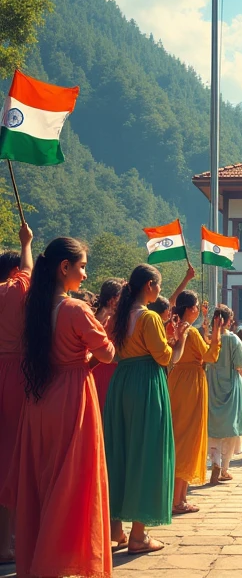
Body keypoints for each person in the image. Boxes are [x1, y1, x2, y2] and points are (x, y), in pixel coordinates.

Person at [4, 237, 114, 578]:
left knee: (44, 480)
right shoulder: (75, 309)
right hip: (72, 398)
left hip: (39, 401)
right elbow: (108, 353)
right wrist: (102, 324)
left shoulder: (32, 308)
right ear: (63, 268)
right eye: (81, 266)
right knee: (71, 482)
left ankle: (42, 557)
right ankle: (58, 561)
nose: (84, 273)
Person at [106, 264, 190, 554]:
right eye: (158, 285)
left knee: (121, 451)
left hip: (122, 382)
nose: (159, 291)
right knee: (147, 452)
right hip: (146, 383)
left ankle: (115, 529)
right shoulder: (149, 317)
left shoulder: (119, 316)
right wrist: (177, 342)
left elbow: (115, 352)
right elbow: (164, 357)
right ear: (150, 286)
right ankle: (139, 535)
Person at [168, 290, 221, 513]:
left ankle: (177, 498)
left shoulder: (173, 326)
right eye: (197, 306)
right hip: (192, 382)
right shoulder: (189, 330)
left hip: (176, 379)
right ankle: (178, 500)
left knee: (178, 436)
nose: (198, 309)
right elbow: (210, 356)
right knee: (188, 438)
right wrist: (217, 332)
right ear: (190, 309)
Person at [0, 223, 34, 564]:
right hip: (12, 374)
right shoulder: (12, 291)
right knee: (11, 459)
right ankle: (7, 542)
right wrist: (27, 243)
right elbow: (27, 273)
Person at [207, 304, 242, 484]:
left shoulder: (208, 337)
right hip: (232, 384)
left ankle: (214, 462)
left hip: (211, 383)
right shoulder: (233, 340)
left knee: (213, 428)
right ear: (229, 321)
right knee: (232, 428)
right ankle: (224, 468)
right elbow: (241, 363)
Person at [93, 277, 124, 412]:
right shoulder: (107, 319)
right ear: (113, 299)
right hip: (104, 371)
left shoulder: (95, 316)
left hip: (103, 370)